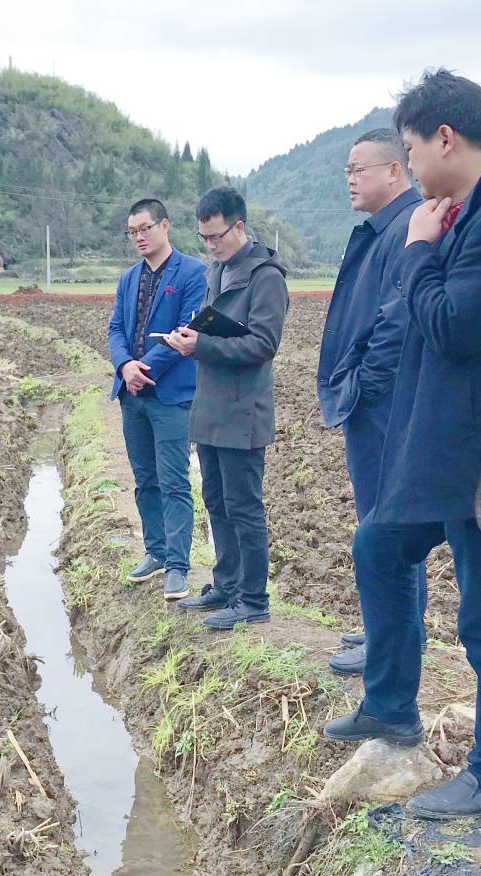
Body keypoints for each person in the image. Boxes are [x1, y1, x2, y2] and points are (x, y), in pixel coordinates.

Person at [322, 69, 481, 820]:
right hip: (438, 449)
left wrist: (417, 250)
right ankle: (390, 707)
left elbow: (453, 325)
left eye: (409, 150)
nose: (410, 167)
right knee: (379, 546)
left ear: (445, 139)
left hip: (479, 458)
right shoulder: (464, 212)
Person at [316, 128, 426, 676]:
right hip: (376, 405)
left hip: (384, 408)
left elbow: (396, 322)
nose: (350, 180)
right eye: (347, 171)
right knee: (381, 527)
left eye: (359, 169)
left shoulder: (407, 226)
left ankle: (391, 642)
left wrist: (365, 386)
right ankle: (385, 628)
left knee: (386, 531)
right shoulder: (385, 227)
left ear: (394, 170)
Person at [164, 186, 288, 629]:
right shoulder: (218, 270)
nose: (210, 245)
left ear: (239, 227)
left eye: (216, 236)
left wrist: (202, 344)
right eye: (204, 238)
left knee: (243, 507)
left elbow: (263, 344)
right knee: (215, 500)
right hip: (211, 406)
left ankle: (253, 599)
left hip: (242, 412)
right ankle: (226, 584)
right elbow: (212, 327)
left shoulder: (265, 277)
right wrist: (190, 338)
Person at [108, 198, 208, 600]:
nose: (139, 237)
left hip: (169, 395)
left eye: (145, 228)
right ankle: (156, 552)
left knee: (173, 481)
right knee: (145, 479)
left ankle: (178, 566)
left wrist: (143, 368)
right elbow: (116, 328)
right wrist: (124, 367)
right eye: (132, 231)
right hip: (132, 394)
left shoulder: (193, 273)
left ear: (164, 226)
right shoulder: (128, 279)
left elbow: (186, 330)